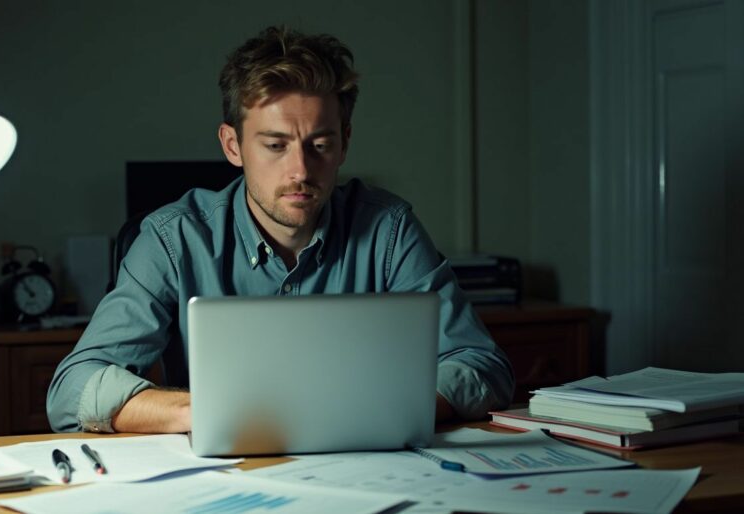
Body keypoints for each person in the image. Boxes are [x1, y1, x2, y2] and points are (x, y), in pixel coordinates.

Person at [47, 26, 514, 434]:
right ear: (233, 145)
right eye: (275, 145)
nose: (300, 170)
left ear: (345, 143)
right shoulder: (173, 240)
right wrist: (207, 411)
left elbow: (483, 365)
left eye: (320, 144)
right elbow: (73, 389)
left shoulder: (389, 231)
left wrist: (389, 410)